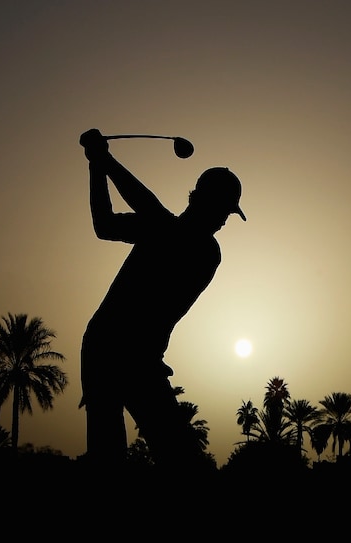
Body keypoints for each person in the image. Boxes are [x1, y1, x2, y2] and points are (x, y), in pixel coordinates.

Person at [77, 128, 246, 466]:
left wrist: (102, 159)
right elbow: (105, 224)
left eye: (227, 213)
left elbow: (151, 212)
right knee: (111, 455)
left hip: (137, 357)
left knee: (177, 455)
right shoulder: (163, 229)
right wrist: (98, 166)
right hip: (106, 349)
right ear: (198, 201)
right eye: (222, 211)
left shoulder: (205, 252)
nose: (223, 221)